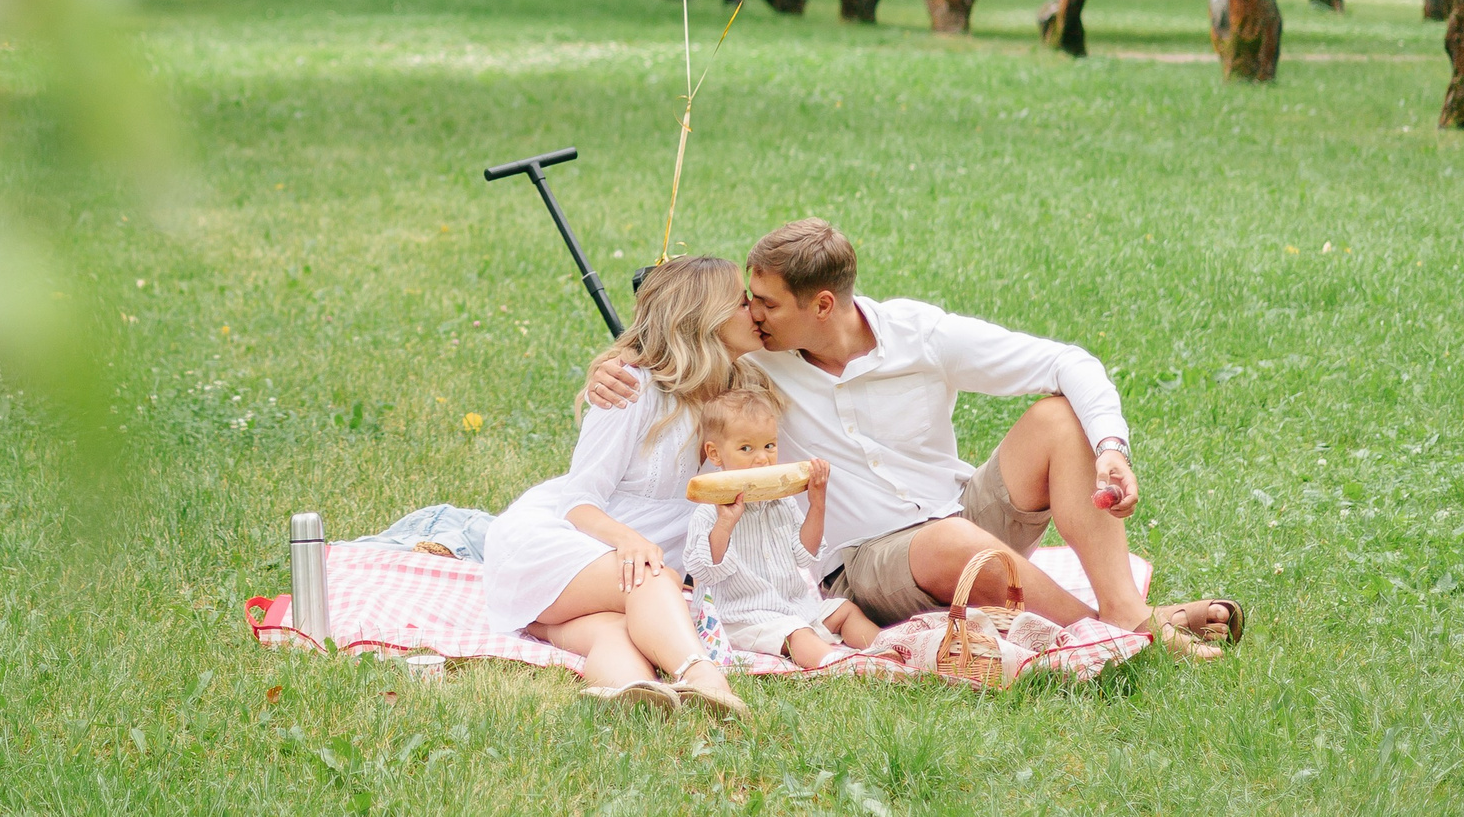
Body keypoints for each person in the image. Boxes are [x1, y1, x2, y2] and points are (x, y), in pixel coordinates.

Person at [586, 220, 1244, 658]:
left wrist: (1111, 447)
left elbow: (1068, 361)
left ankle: (1127, 612)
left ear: (822, 305)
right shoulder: (753, 357)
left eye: (765, 302)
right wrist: (615, 361)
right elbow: (678, 330)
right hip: (859, 562)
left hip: (959, 517)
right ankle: (1118, 637)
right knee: (948, 540)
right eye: (747, 301)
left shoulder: (919, 335)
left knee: (1056, 417)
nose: (751, 313)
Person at [482, 256, 759, 713]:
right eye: (741, 301)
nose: (754, 311)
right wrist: (631, 542)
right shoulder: (632, 389)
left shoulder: (737, 396)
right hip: (558, 544)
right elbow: (578, 501)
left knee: (618, 629)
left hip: (612, 578)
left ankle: (635, 700)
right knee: (651, 578)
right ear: (703, 318)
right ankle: (704, 678)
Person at [683, 375, 880, 669]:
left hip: (795, 605)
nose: (762, 459)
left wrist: (817, 503)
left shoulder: (782, 502)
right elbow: (705, 571)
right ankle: (840, 667)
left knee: (845, 610)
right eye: (746, 449)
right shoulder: (710, 512)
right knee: (797, 634)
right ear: (715, 454)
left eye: (769, 446)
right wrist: (725, 524)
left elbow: (805, 554)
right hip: (744, 616)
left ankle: (889, 652)